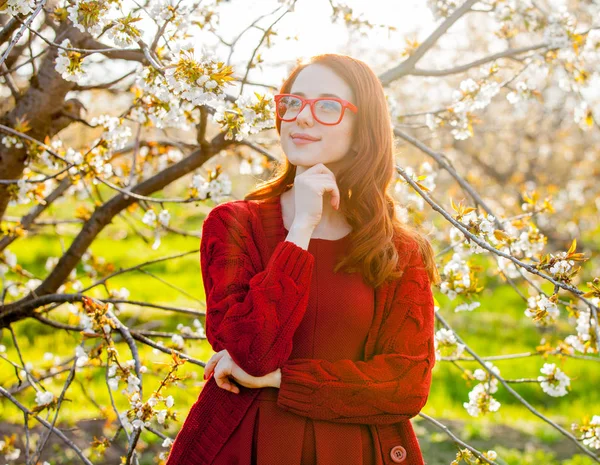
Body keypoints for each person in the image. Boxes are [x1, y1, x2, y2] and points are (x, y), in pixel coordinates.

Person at [166, 53, 441, 465]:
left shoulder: (399, 250)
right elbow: (249, 354)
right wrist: (300, 231)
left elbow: (405, 385)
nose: (302, 118)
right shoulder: (235, 225)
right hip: (252, 448)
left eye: (328, 106)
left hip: (356, 452)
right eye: (293, 102)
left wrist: (280, 380)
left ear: (363, 128)